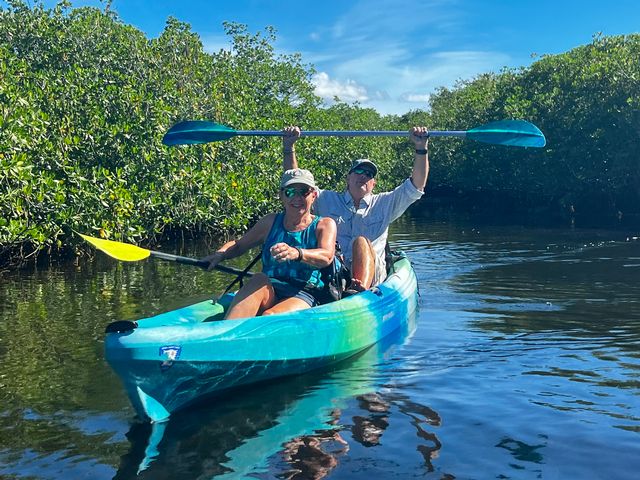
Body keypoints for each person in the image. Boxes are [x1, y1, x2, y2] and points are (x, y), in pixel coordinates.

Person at [282, 125, 429, 291]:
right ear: (348, 178)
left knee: (360, 241)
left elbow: (416, 186)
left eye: (369, 174)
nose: (363, 176)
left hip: (373, 274)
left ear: (373, 183)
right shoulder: (326, 199)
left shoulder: (385, 203)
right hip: (334, 271)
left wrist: (421, 148)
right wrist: (289, 147)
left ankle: (359, 291)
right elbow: (295, 183)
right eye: (358, 171)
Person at [201, 168, 337, 319]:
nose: (297, 198)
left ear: (313, 195)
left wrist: (297, 253)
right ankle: (225, 333)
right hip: (271, 287)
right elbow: (239, 245)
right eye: (290, 192)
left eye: (303, 191)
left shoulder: (324, 225)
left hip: (305, 292)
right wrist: (220, 255)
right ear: (281, 195)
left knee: (269, 316)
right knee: (258, 278)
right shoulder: (270, 221)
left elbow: (326, 256)